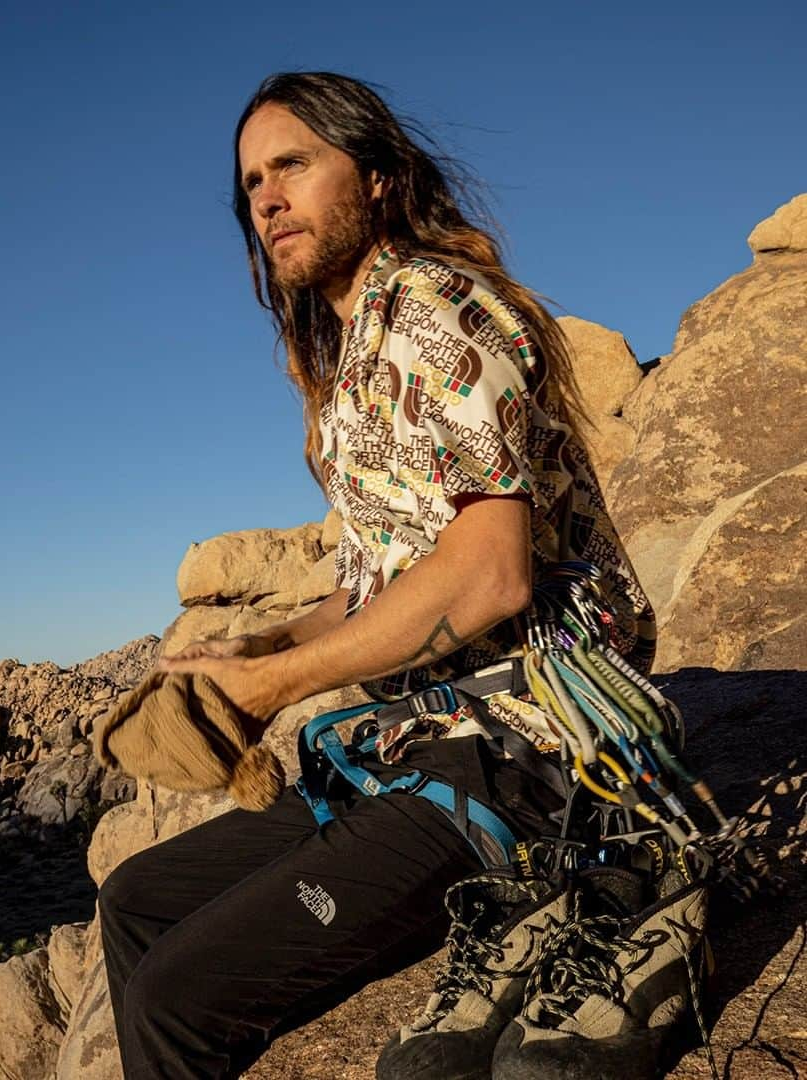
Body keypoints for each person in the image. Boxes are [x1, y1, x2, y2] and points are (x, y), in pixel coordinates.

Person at [97, 71, 654, 1079]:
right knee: (135, 897)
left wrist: (278, 687)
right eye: (253, 183)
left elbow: (488, 582)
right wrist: (252, 647)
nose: (266, 199)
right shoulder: (359, 357)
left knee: (177, 1000)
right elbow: (373, 590)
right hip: (425, 739)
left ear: (382, 177)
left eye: (294, 166)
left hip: (530, 752)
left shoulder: (440, 314)